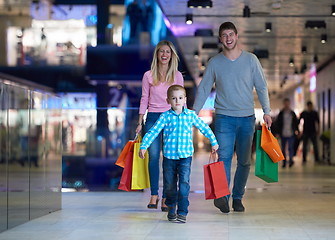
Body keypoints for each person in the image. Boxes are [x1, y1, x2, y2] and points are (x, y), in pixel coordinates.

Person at [192, 21, 272, 213]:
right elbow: (203, 89)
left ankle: (237, 197)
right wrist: (192, 115)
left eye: (231, 34)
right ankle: (223, 196)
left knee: (244, 161)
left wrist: (267, 111)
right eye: (224, 35)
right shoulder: (215, 62)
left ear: (236, 36)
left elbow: (261, 86)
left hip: (246, 118)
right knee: (224, 158)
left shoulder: (251, 60)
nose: (228, 38)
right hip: (223, 118)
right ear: (220, 39)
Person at [139, 85, 219, 223]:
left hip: (185, 157)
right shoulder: (165, 117)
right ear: (168, 100)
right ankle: (171, 207)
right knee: (169, 186)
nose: (177, 101)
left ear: (185, 100)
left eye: (180, 98)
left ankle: (182, 211)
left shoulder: (190, 116)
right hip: (169, 158)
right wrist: (144, 146)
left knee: (184, 184)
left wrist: (213, 142)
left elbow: (204, 127)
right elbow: (153, 131)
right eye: (174, 98)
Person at [135, 40, 184, 212]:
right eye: (161, 51)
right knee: (154, 156)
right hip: (153, 119)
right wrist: (140, 121)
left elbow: (180, 100)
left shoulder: (177, 76)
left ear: (172, 55)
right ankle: (154, 195)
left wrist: (182, 121)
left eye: (168, 52)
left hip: (171, 119)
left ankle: (166, 197)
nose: (164, 55)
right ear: (157, 54)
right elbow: (144, 99)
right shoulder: (148, 75)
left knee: (169, 159)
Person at [275, 98, 299, 168]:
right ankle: (284, 161)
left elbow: (295, 123)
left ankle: (291, 160)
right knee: (283, 148)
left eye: (287, 103)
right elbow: (278, 123)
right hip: (283, 133)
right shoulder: (281, 113)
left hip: (291, 133)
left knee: (290, 147)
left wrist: (297, 131)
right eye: (285, 103)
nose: (286, 105)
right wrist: (278, 132)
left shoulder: (292, 113)